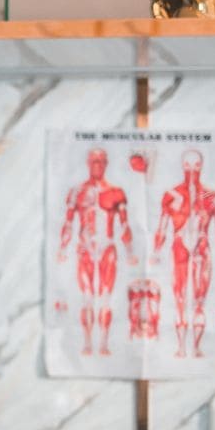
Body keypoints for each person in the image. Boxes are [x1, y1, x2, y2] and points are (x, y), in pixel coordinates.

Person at [150, 148, 215, 358]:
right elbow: (162, 227)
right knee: (179, 298)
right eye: (188, 166)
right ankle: (180, 347)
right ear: (182, 166)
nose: (192, 171)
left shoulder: (211, 196)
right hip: (179, 247)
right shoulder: (172, 195)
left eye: (196, 166)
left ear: (202, 166)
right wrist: (156, 252)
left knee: (198, 300)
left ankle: (195, 347)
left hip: (202, 248)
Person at [57, 148, 138, 356]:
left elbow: (124, 225)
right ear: (87, 163)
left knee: (104, 298)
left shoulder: (116, 193)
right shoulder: (77, 192)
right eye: (94, 161)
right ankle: (86, 343)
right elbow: (68, 223)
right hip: (85, 249)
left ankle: (102, 343)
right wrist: (62, 248)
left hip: (107, 249)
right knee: (87, 298)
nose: (98, 165)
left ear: (106, 164)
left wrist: (129, 252)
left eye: (101, 161)